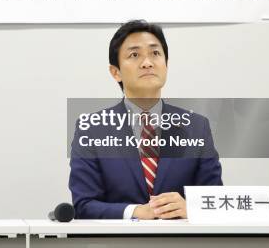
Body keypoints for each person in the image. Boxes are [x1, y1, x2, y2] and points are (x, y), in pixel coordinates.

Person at [69, 20, 222, 219]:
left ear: (166, 65)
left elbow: (216, 200)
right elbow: (83, 205)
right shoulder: (91, 129)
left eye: (155, 53)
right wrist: (135, 211)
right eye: (134, 55)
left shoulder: (196, 127)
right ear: (116, 72)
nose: (147, 63)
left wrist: (192, 209)